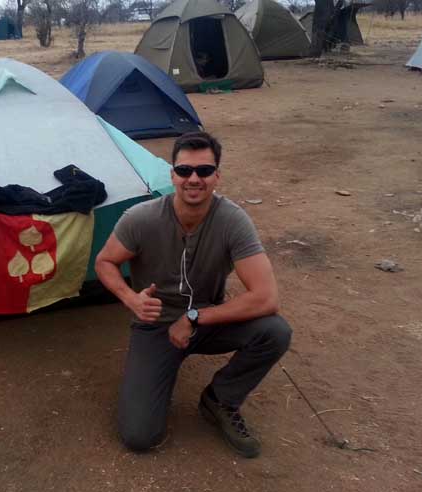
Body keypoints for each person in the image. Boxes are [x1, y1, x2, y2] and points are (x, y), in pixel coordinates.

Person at [94, 130, 292, 458]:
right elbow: (105, 262)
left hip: (205, 320)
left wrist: (194, 317)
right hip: (156, 325)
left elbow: (266, 297)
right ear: (172, 174)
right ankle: (159, 372)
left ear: (217, 176)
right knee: (139, 436)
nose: (194, 179)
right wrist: (131, 299)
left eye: (204, 171)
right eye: (185, 171)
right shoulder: (141, 218)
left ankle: (220, 399)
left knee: (275, 331)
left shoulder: (232, 221)